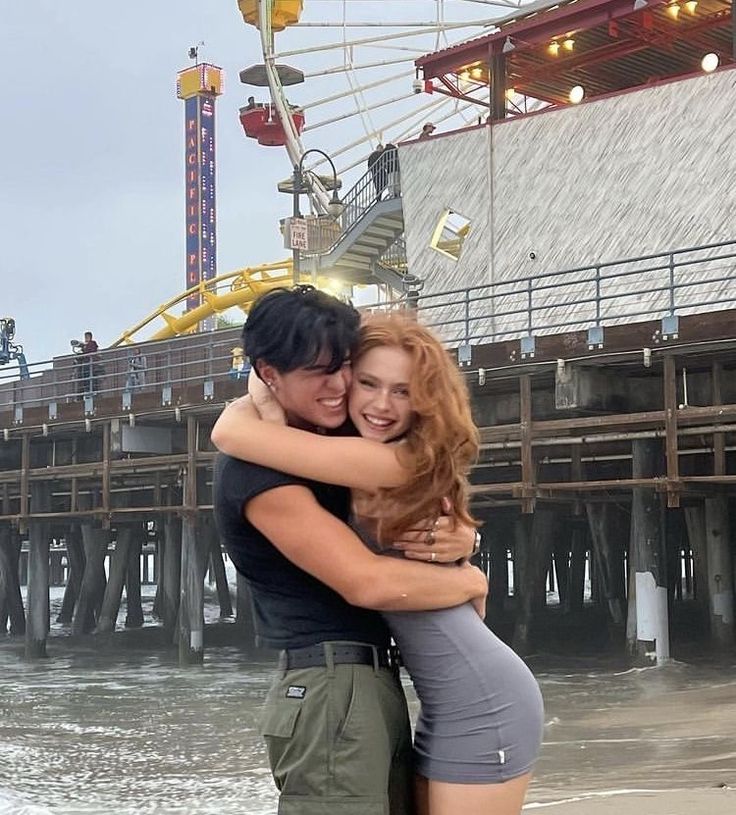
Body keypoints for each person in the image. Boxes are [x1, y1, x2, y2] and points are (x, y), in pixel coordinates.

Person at [212, 312, 545, 815]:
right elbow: (253, 431)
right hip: (436, 700)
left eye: (403, 391)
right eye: (366, 382)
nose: (381, 404)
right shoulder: (357, 451)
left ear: (425, 400)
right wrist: (471, 577)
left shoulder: (392, 462)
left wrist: (470, 570)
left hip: (482, 702)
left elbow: (236, 434)